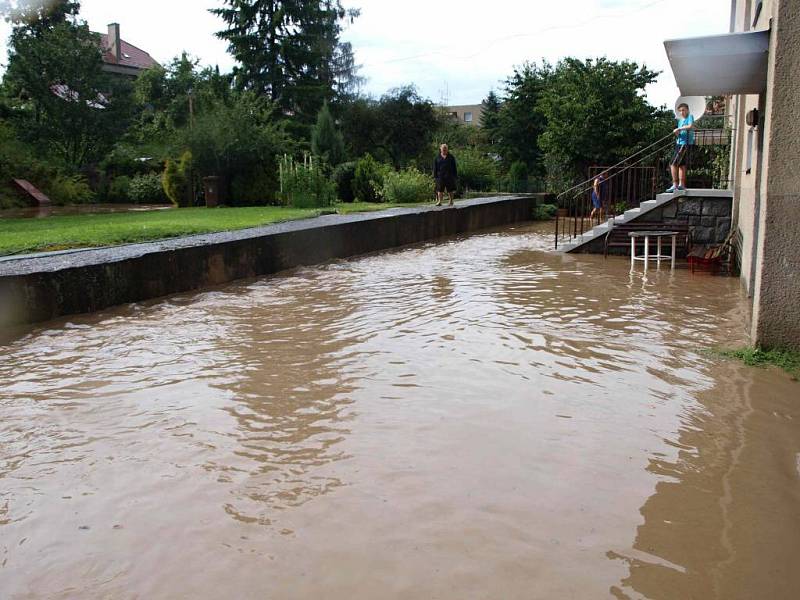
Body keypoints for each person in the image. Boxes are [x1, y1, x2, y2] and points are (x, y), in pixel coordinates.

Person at [667, 102, 696, 193]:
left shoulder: (690, 117)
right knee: (681, 165)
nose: (682, 112)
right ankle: (681, 185)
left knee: (673, 164)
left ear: (687, 110)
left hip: (685, 143)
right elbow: (681, 131)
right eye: (680, 111)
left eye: (683, 110)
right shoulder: (680, 121)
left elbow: (690, 126)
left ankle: (675, 184)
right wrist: (677, 132)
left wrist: (679, 129)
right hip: (679, 143)